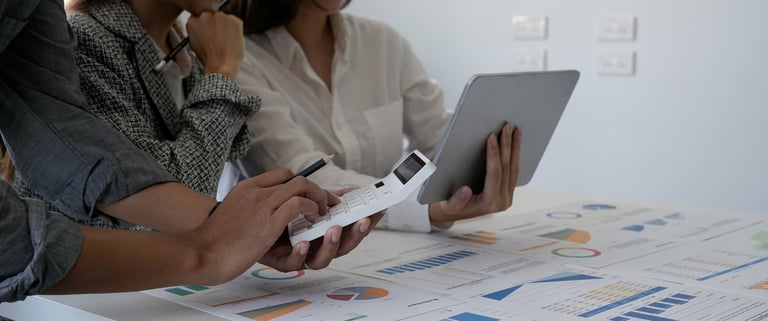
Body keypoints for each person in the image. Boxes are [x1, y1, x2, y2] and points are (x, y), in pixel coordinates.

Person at [0, 0, 378, 303]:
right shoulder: (88, 39)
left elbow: (77, 152)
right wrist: (222, 70)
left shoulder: (187, 44)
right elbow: (177, 195)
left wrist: (240, 228)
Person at [225, 0, 522, 232]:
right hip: (283, 255)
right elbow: (305, 177)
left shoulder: (382, 42)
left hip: (387, 248)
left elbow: (439, 139)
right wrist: (427, 209)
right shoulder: (237, 58)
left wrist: (480, 168)